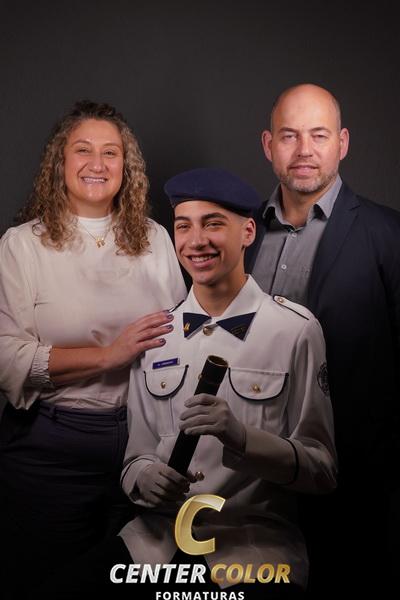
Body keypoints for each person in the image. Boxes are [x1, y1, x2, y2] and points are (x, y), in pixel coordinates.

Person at [35, 168, 337, 599]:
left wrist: (242, 439)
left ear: (248, 232)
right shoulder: (156, 336)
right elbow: (136, 457)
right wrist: (144, 477)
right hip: (154, 546)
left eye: (213, 224)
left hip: (250, 548)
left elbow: (322, 470)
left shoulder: (295, 331)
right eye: (183, 226)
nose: (196, 241)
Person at [0, 100, 187, 598]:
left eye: (111, 152)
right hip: (52, 451)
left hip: (143, 449)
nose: (97, 164)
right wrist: (107, 356)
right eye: (83, 150)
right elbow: (6, 357)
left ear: (127, 167)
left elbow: (178, 342)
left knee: (130, 588)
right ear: (59, 162)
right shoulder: (23, 245)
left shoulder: (156, 239)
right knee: (49, 589)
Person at [247, 83, 400, 594]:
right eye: (289, 135)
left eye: (319, 135)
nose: (304, 150)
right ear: (269, 145)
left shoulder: (389, 235)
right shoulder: (240, 234)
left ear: (343, 143)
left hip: (354, 484)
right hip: (251, 478)